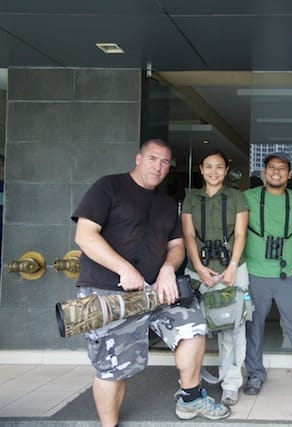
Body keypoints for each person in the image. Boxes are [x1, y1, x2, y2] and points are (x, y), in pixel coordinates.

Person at [72, 139, 229, 426]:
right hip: (110, 292)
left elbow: (177, 244)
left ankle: (191, 398)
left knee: (193, 327)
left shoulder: (167, 203)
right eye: (153, 159)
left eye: (165, 162)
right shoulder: (109, 186)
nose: (158, 166)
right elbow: (84, 235)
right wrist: (123, 268)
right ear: (138, 159)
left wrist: (168, 269)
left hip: (157, 291)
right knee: (114, 367)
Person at [242, 151, 292, 396]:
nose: (276, 171)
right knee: (253, 326)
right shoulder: (247, 198)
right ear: (264, 172)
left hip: (287, 274)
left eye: (281, 168)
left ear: (289, 174)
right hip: (255, 273)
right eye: (271, 167)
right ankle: (255, 374)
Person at [181, 149, 249, 407]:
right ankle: (190, 383)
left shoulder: (236, 197)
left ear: (226, 169)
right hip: (198, 270)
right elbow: (188, 235)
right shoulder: (190, 199)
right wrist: (198, 266)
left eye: (219, 167)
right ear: (200, 168)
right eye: (208, 166)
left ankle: (231, 384)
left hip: (232, 268)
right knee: (194, 329)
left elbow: (241, 234)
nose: (213, 172)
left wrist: (231, 266)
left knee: (232, 328)